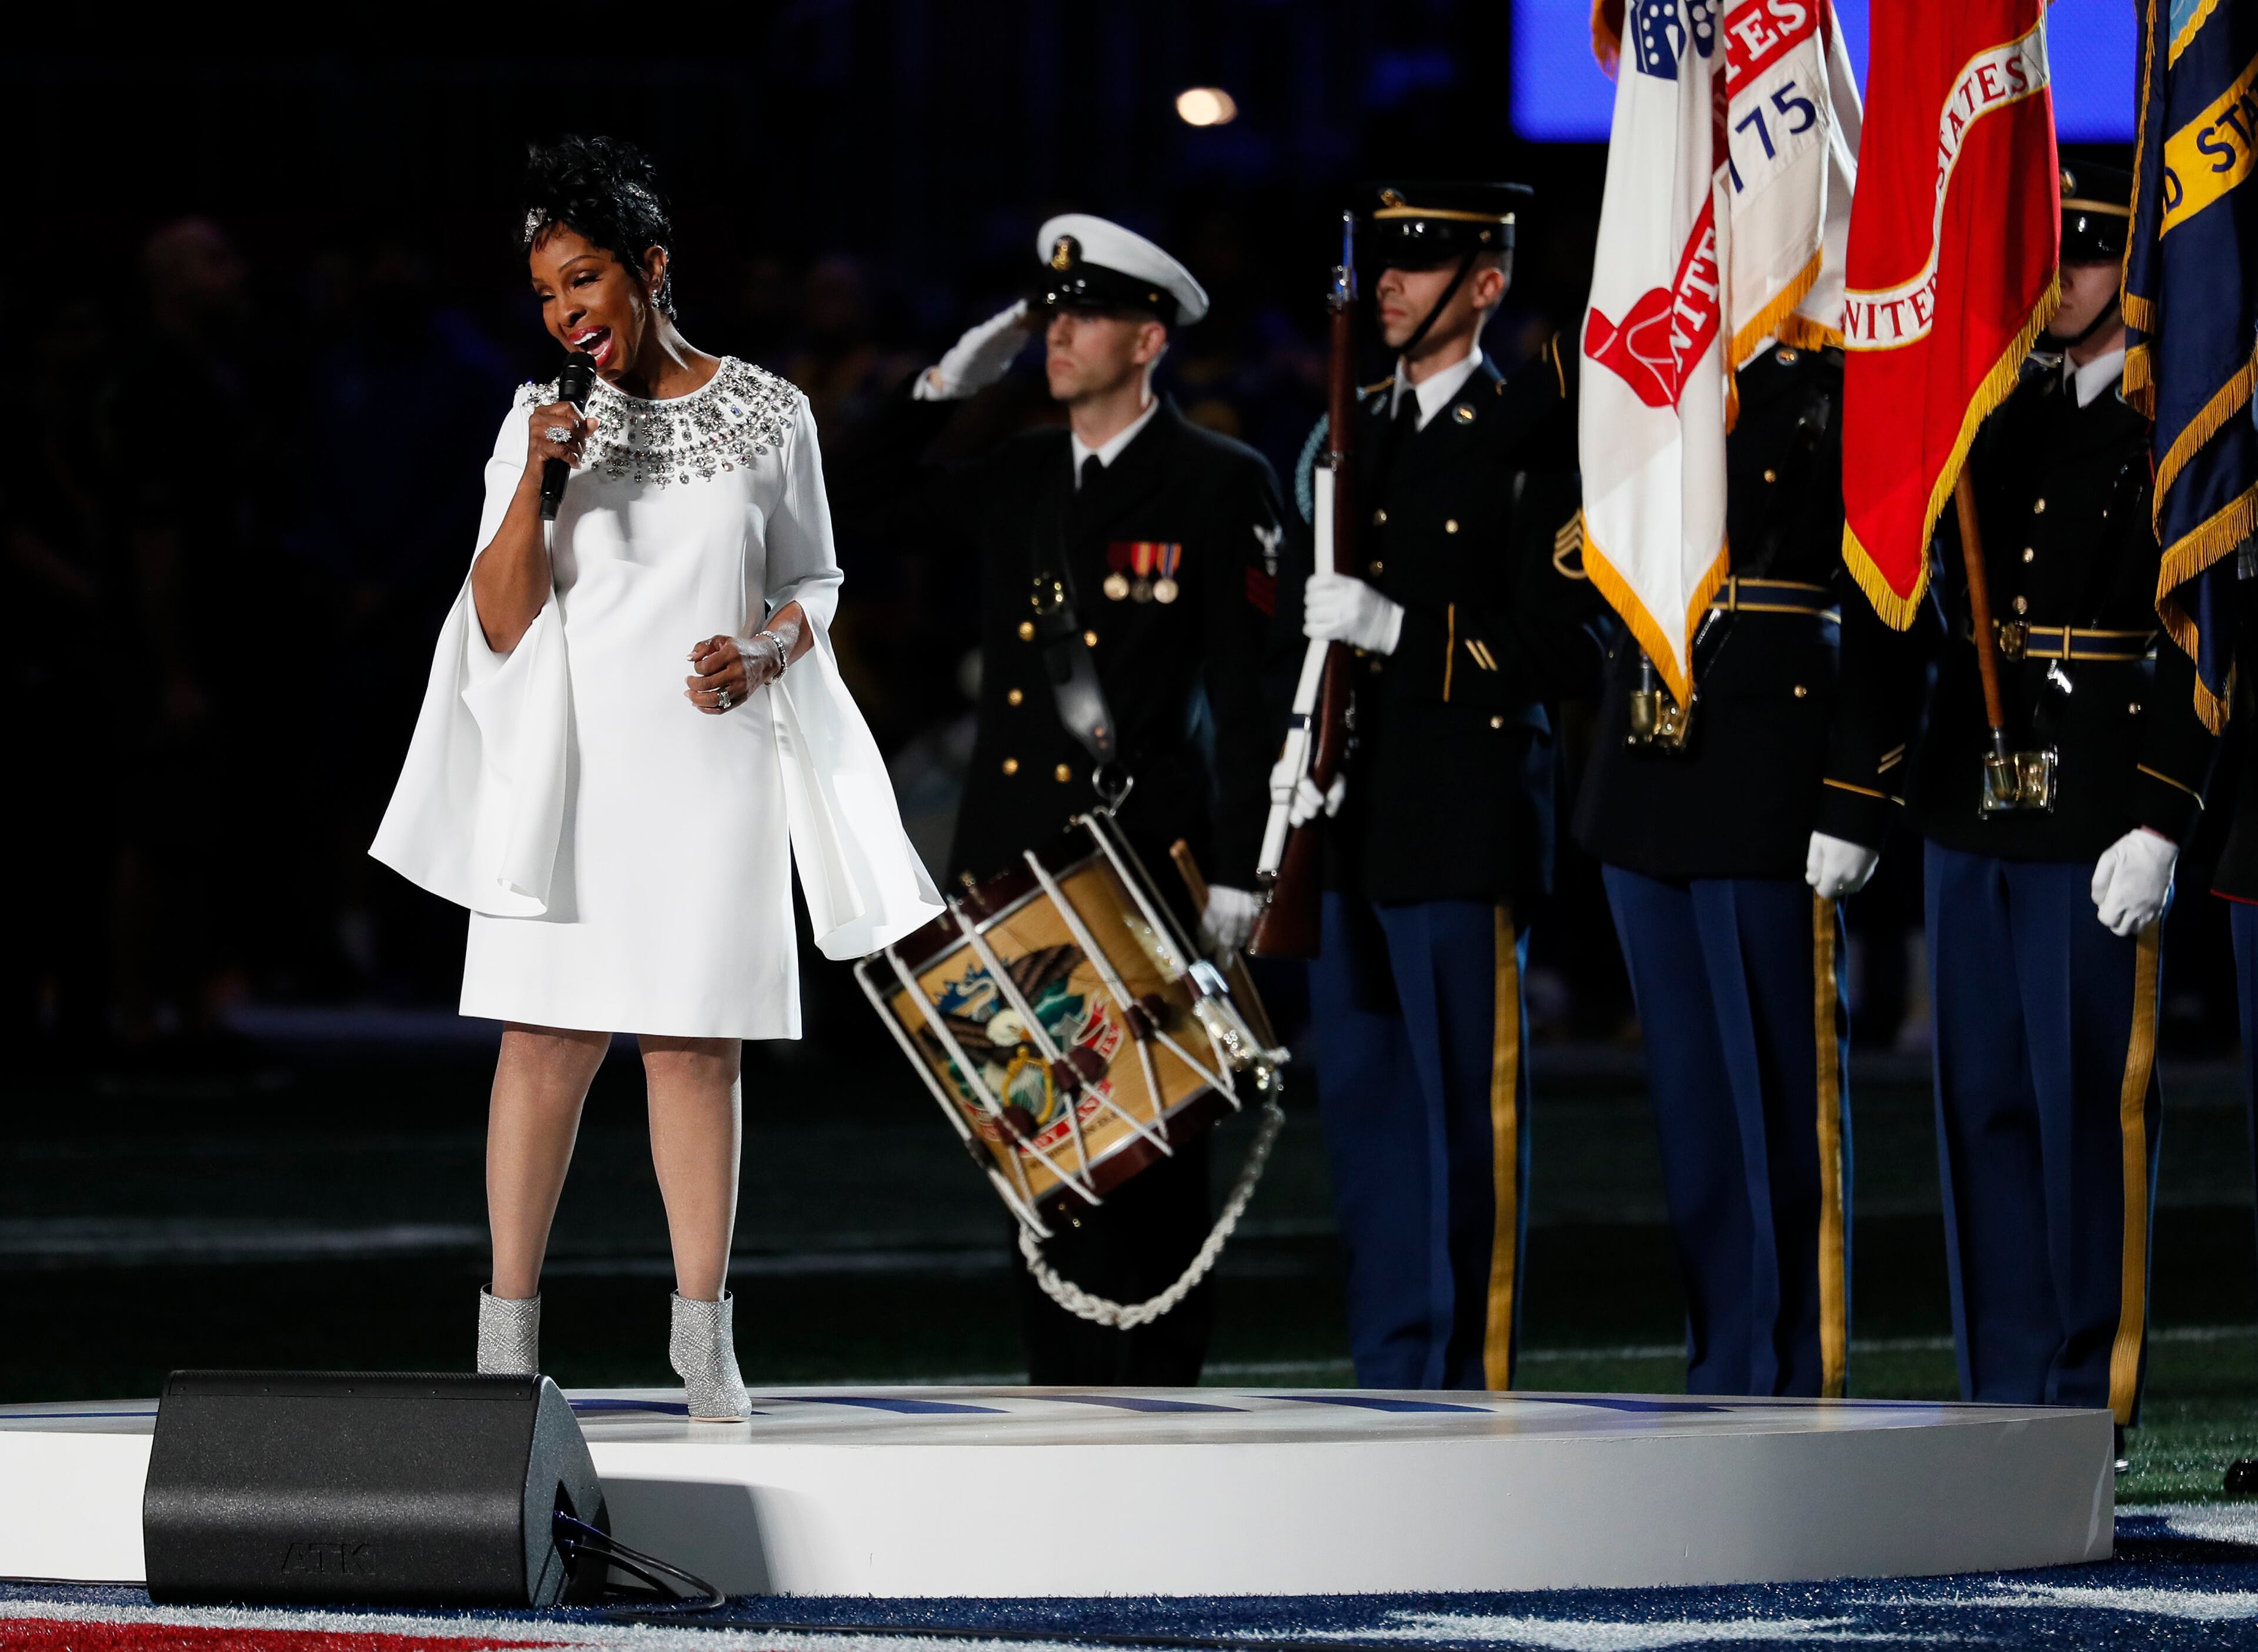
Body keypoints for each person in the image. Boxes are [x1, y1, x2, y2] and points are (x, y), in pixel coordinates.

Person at [372, 136, 937, 1417]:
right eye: (547, 296)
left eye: (586, 282)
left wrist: (766, 646)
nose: (569, 314)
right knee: (544, 1040)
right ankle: (507, 1335)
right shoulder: (534, 418)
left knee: (694, 1053)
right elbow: (500, 616)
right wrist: (536, 482)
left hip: (710, 759)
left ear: (652, 268)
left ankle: (704, 1335)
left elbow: (817, 578)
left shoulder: (770, 412)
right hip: (570, 763)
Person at [839, 214, 1288, 1383]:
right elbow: (850, 501)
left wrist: (1245, 875)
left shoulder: (1219, 482)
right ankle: (1061, 1398)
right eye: (1049, 313)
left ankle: (1163, 1399)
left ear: (1149, 339)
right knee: (1042, 1152)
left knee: (1152, 1155)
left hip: (1138, 869)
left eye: (1083, 315)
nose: (1057, 332)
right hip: (1011, 877)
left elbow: (1252, 707)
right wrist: (946, 384)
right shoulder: (1018, 476)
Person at [1843, 163, 2214, 1453]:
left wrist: (2165, 810)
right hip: (1973, 792)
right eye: (2050, 257)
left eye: (2094, 256)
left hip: (2101, 801)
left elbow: (2206, 630)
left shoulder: (2179, 424)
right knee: (1984, 1103)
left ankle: (2081, 1411)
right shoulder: (1987, 413)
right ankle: (1998, 1401)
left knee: (2089, 1118)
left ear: (2136, 269)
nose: (2065, 283)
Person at [1283, 181, 1606, 1390]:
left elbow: (1574, 643)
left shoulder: (1533, 433)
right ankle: (1391, 1369)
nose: (1391, 282)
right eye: (1386, 259)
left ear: (1486, 282)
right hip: (1352, 820)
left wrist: (1404, 632)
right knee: (1370, 1124)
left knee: (1471, 1124)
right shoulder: (1351, 426)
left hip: (1464, 816)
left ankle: (1472, 1377)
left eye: (1423, 261)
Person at [1574, 339, 1883, 1398]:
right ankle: (1723, 1367)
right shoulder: (1654, 359)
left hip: (1768, 764)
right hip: (1644, 761)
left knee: (1781, 1105)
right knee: (1694, 1112)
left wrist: (1857, 788)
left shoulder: (1839, 387)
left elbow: (1892, 597)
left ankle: (1797, 1374)